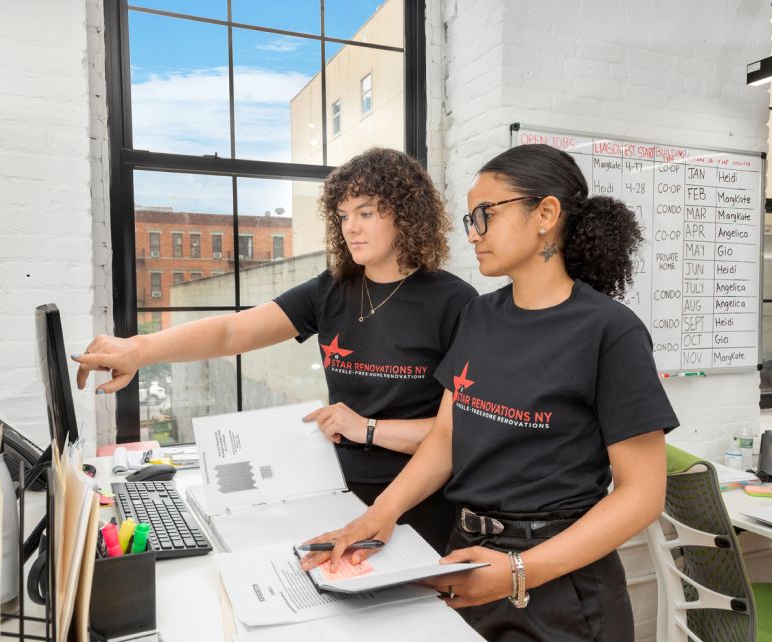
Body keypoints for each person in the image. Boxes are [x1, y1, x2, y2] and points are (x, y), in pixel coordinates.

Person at [299, 144, 679, 641]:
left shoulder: (610, 331)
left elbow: (642, 495)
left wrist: (520, 571)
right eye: (469, 219)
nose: (473, 233)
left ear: (545, 213)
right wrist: (378, 517)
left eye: (486, 214)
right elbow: (446, 439)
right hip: (468, 560)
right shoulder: (480, 315)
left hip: (560, 585)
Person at [73, 148, 478, 553]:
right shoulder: (333, 289)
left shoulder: (455, 303)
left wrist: (367, 429)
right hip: (333, 491)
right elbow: (231, 331)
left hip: (417, 507)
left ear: (406, 215)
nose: (350, 227)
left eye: (366, 213)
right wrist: (138, 349)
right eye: (343, 215)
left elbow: (460, 434)